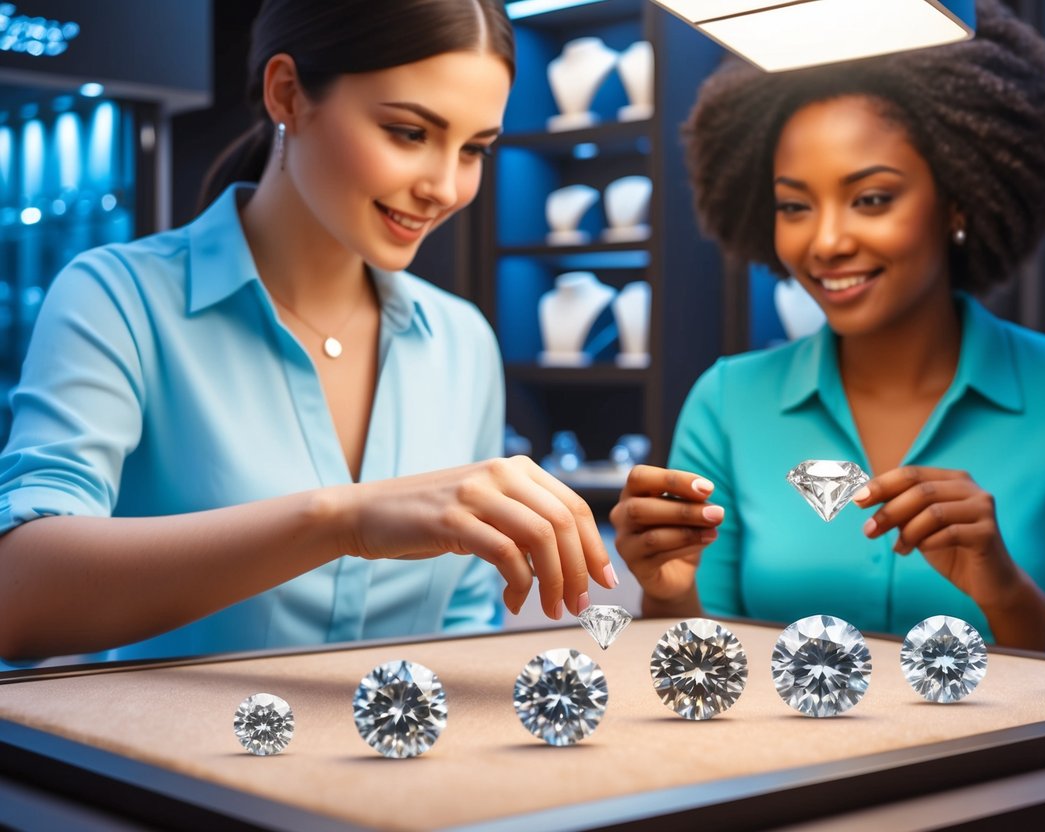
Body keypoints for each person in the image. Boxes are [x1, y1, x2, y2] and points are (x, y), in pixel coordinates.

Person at [0, 0, 616, 667]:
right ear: (287, 93)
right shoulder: (118, 299)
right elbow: (17, 596)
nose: (443, 186)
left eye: (473, 150)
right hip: (159, 767)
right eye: (409, 132)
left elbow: (460, 626)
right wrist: (341, 521)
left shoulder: (461, 342)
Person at [611, 0, 1045, 667]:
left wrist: (1002, 589)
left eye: (871, 198)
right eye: (793, 205)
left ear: (958, 198)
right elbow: (697, 663)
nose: (825, 241)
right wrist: (666, 595)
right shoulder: (727, 401)